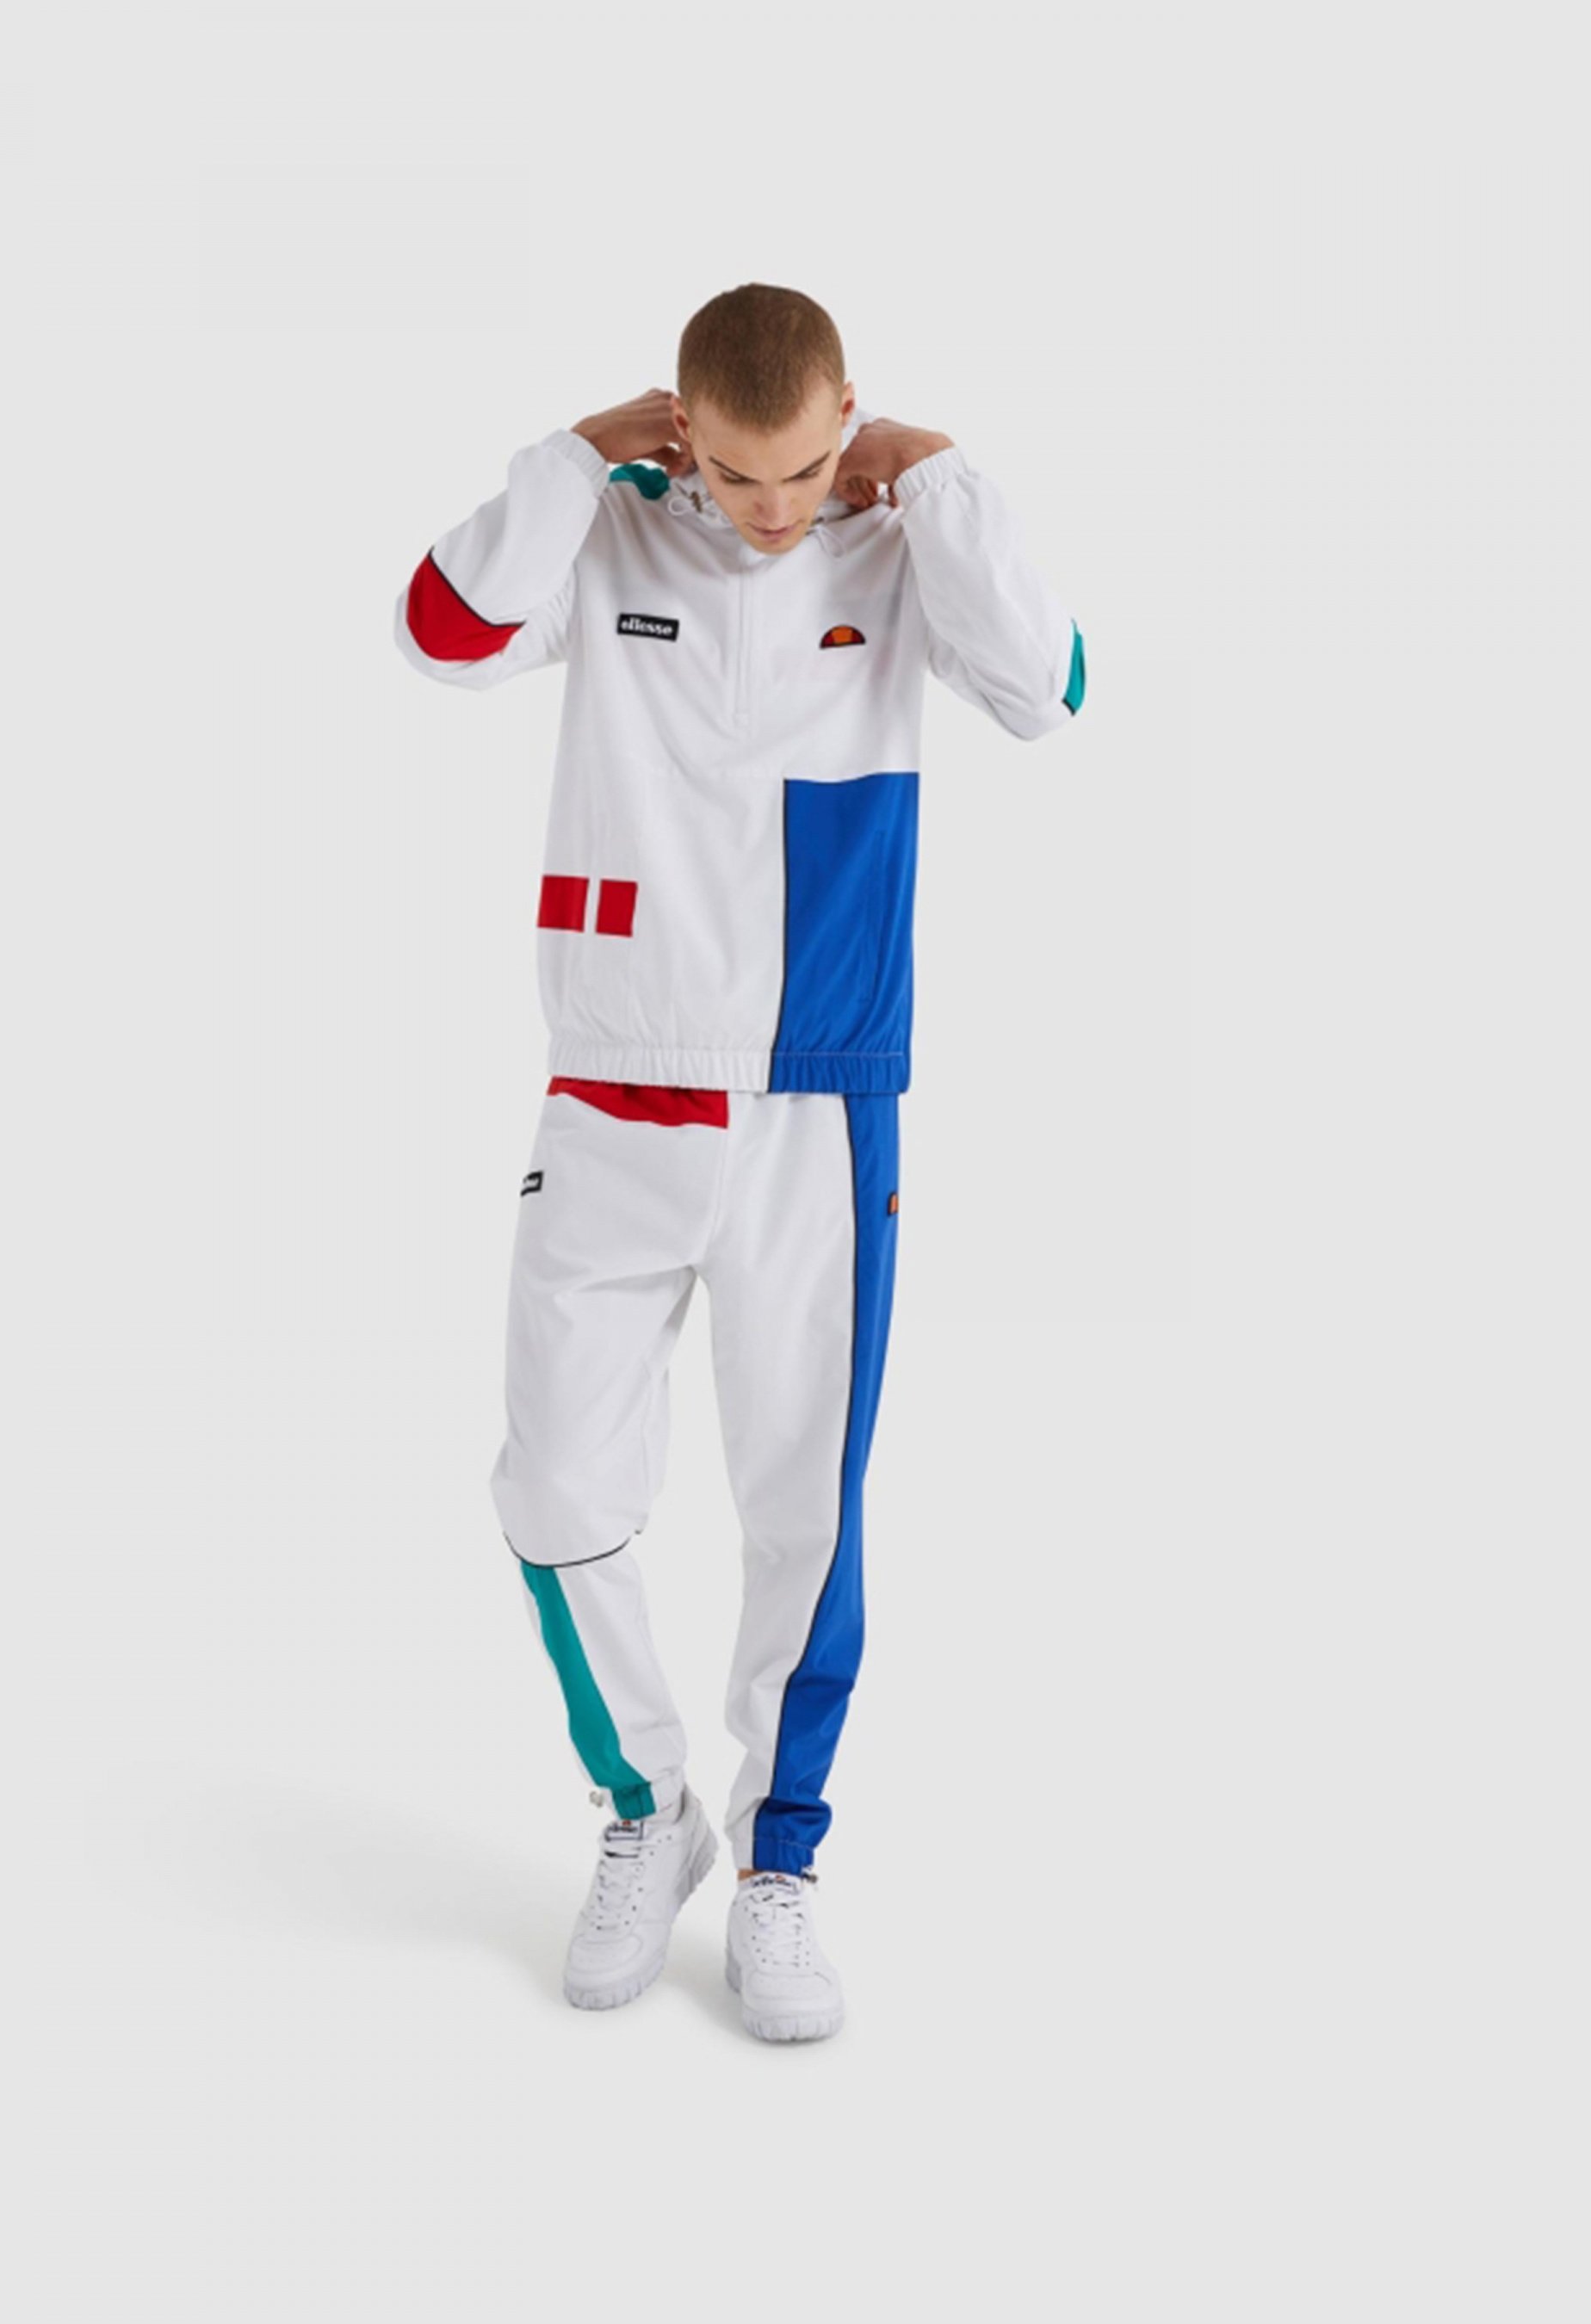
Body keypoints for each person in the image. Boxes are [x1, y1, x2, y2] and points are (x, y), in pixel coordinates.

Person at [394, 282, 1085, 2041]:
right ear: (682, 431)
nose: (774, 512)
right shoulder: (612, 531)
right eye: (737, 473)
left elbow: (1047, 688)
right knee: (552, 1491)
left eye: (803, 468)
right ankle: (648, 1809)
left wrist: (942, 479)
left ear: (848, 414)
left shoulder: (896, 545)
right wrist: (570, 457)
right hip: (611, 1087)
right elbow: (440, 633)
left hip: (813, 1097)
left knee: (803, 1512)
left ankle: (781, 1861)